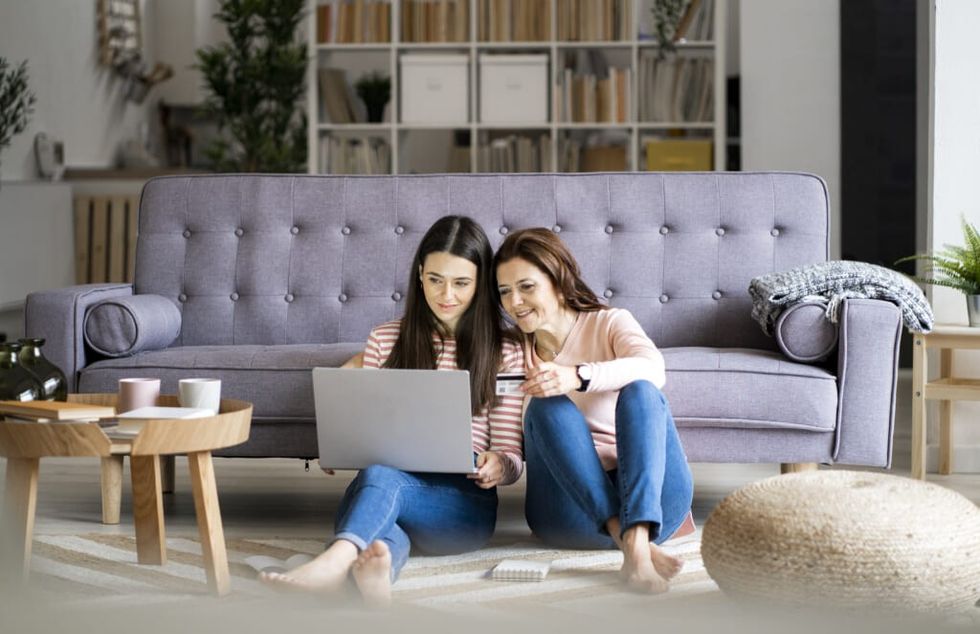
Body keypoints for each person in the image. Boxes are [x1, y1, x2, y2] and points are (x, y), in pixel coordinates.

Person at [262, 216, 525, 605]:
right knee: (383, 523)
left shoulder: (507, 349)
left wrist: (499, 466)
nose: (446, 294)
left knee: (380, 479)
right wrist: (342, 444)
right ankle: (377, 577)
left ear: (481, 283)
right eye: (435, 279)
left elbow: (511, 455)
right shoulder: (385, 339)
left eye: (461, 283)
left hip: (462, 507)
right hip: (388, 488)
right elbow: (369, 427)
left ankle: (335, 559)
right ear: (420, 274)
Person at [493, 228, 694, 594]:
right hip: (568, 511)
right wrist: (497, 463)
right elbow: (510, 448)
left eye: (526, 287)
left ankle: (635, 540)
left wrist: (578, 376)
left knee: (642, 391)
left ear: (558, 281)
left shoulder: (610, 322)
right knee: (546, 406)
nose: (514, 302)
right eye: (505, 292)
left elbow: (654, 367)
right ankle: (633, 545)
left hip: (654, 504)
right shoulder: (509, 351)